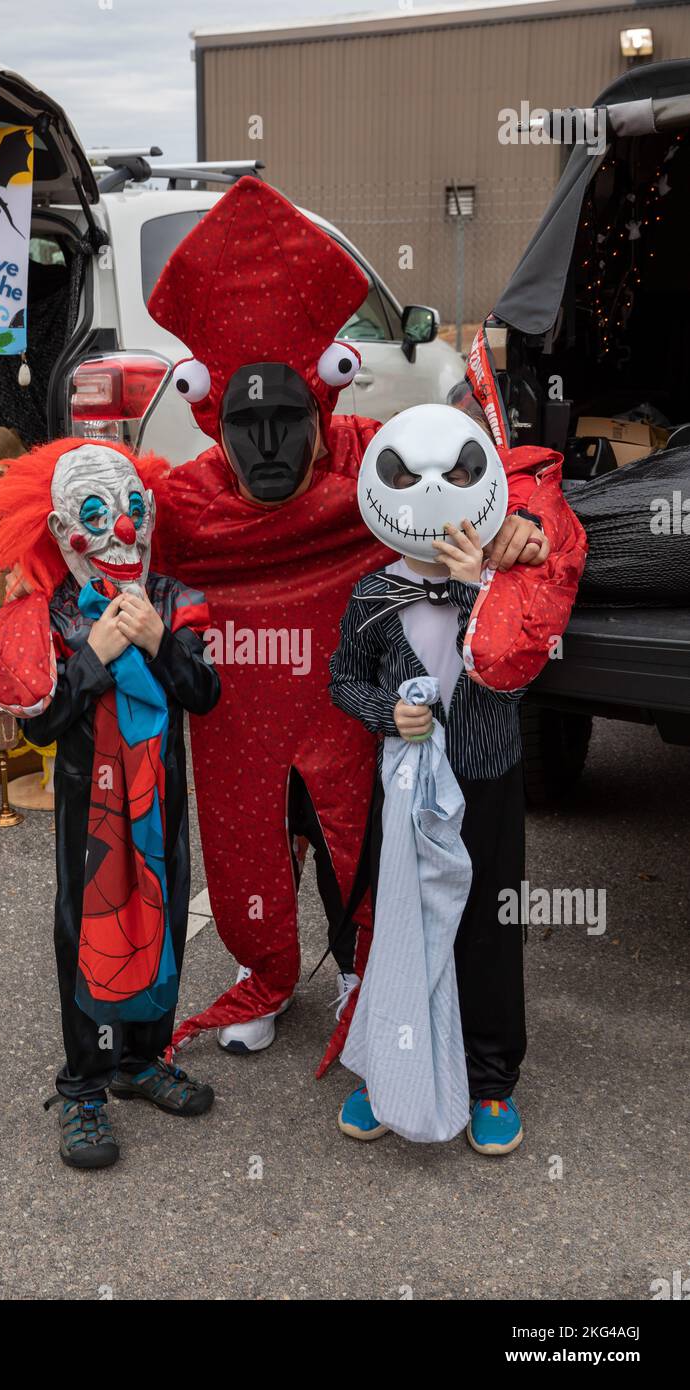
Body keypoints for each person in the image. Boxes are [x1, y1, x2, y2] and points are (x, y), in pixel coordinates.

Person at [136, 176, 557, 1069]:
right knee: (246, 846)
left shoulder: (372, 460)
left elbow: (482, 471)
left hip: (350, 702)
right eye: (244, 423)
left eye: (288, 418)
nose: (268, 446)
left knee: (357, 837)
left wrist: (524, 519)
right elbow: (91, 529)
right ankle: (267, 972)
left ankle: (366, 970)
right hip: (236, 712)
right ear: (211, 415)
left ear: (323, 404)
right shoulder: (184, 506)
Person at [329, 405, 586, 1154]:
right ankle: (392, 1066)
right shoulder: (372, 596)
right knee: (402, 921)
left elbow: (514, 664)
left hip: (486, 776)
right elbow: (342, 681)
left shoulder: (511, 580)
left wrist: (486, 585)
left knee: (487, 928)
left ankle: (491, 1078)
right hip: (405, 788)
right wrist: (386, 711)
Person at [0, 440, 220, 1169]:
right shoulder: (47, 617)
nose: (122, 529)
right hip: (91, 821)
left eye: (133, 508)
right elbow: (42, 724)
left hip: (160, 811)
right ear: (56, 528)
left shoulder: (171, 601)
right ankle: (83, 1083)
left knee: (165, 921)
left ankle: (141, 1059)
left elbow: (205, 696)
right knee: (86, 935)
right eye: (94, 513)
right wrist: (93, 658)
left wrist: (159, 643)